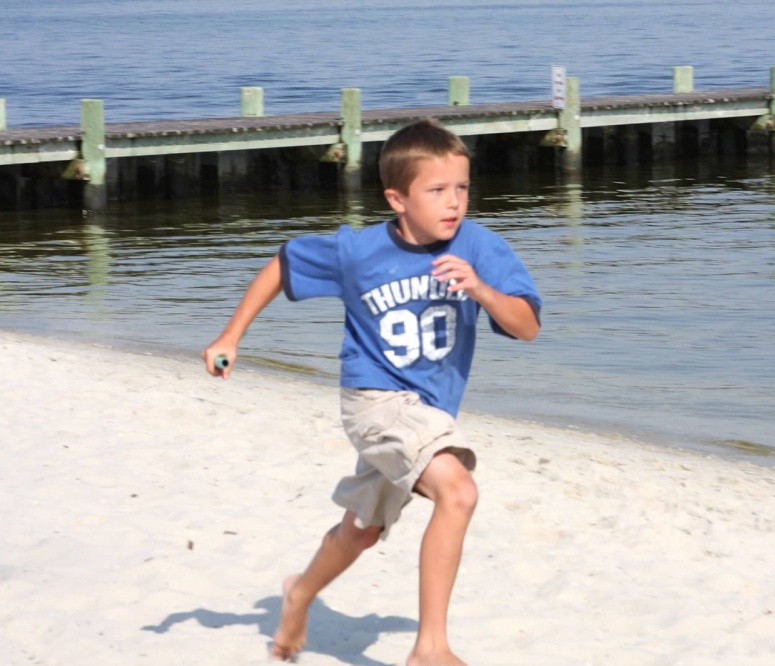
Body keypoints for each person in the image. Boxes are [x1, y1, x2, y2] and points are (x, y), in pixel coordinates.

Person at [202, 118, 542, 665]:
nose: (453, 202)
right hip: (375, 403)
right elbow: (283, 265)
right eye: (437, 190)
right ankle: (431, 650)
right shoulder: (358, 252)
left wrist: (481, 289)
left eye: (462, 187)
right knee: (458, 492)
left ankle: (299, 594)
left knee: (360, 531)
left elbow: (527, 328)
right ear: (397, 199)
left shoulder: (480, 247)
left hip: (428, 413)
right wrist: (230, 336)